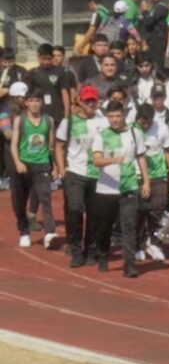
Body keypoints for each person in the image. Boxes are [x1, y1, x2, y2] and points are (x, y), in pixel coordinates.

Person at [91, 101, 150, 277]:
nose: (115, 120)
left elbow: (141, 157)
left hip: (129, 186)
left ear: (123, 115)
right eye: (111, 116)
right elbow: (96, 160)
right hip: (106, 189)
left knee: (129, 227)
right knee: (104, 226)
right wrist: (112, 160)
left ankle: (129, 264)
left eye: (118, 116)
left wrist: (146, 181)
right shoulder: (101, 136)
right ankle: (103, 254)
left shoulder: (135, 133)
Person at [55, 85, 107, 267]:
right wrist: (62, 170)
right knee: (75, 209)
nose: (91, 104)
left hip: (96, 174)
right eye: (87, 101)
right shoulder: (69, 122)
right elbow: (59, 146)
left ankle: (90, 250)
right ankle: (75, 250)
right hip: (75, 172)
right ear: (80, 102)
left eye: (93, 100)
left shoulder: (103, 121)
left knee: (94, 215)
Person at [10, 89, 58, 249]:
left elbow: (51, 146)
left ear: (42, 103)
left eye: (37, 100)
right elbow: (14, 144)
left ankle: (49, 232)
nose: (35, 104)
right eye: (31, 101)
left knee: (45, 198)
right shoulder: (20, 120)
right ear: (26, 103)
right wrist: (17, 162)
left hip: (42, 163)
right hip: (23, 164)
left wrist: (54, 166)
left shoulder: (48, 120)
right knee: (19, 201)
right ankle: (24, 231)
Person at [135, 103, 169, 261]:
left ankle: (155, 242)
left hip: (158, 175)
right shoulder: (131, 130)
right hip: (136, 176)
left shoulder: (162, 128)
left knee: (158, 210)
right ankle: (138, 244)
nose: (145, 125)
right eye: (142, 122)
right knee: (139, 212)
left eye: (148, 122)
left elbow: (168, 151)